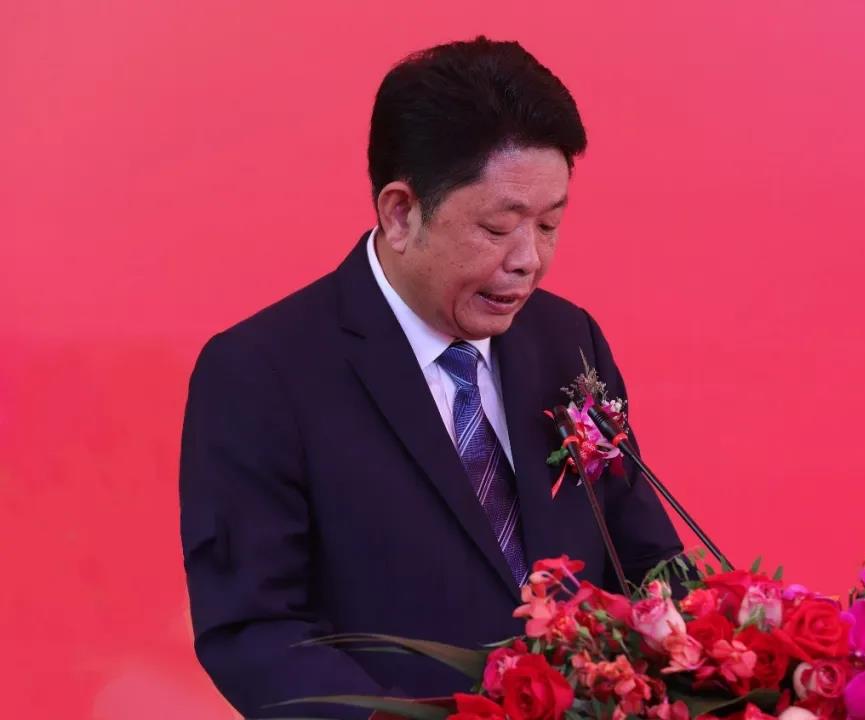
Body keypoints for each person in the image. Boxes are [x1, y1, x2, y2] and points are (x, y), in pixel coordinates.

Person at [179, 36, 683, 719]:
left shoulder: (568, 341)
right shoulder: (261, 373)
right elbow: (255, 631)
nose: (528, 260)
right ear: (400, 212)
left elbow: (646, 557)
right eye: (498, 227)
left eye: (549, 224)